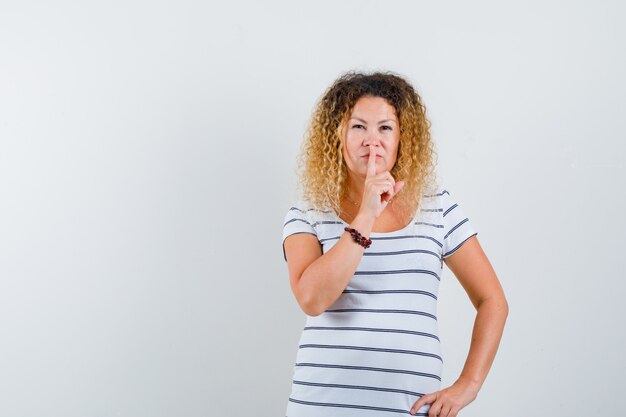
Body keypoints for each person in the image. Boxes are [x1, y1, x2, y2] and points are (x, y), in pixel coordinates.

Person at [281, 71, 508, 417]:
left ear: (403, 137)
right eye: (358, 127)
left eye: (385, 128)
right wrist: (366, 215)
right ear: (337, 134)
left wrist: (468, 386)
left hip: (409, 409)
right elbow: (312, 299)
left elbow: (492, 300)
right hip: (322, 406)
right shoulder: (308, 212)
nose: (372, 140)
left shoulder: (438, 208)